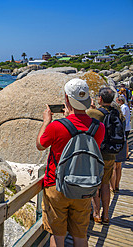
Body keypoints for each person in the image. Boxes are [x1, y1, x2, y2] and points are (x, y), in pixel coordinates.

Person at [36, 78, 105, 247]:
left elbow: (40, 145)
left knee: (57, 236)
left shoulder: (57, 126)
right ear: (88, 100)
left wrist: (47, 121)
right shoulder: (99, 127)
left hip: (56, 185)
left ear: (66, 100)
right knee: (80, 236)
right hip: (84, 186)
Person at [87, 87, 123, 225]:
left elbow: (85, 118)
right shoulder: (116, 112)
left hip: (98, 154)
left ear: (100, 99)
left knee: (96, 184)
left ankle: (96, 213)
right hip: (111, 154)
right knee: (106, 184)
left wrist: (92, 108)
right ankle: (106, 215)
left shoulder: (94, 113)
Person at [111, 95, 130, 193]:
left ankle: (112, 187)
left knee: (114, 167)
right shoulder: (122, 118)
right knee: (119, 167)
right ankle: (117, 185)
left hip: (114, 143)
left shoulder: (112, 119)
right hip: (122, 142)